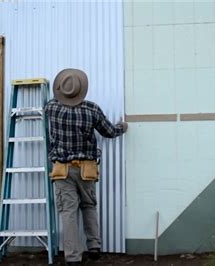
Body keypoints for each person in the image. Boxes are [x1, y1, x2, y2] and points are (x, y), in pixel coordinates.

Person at [44, 68, 128, 265]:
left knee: (68, 212)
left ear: (61, 90)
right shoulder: (92, 109)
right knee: (89, 206)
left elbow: (49, 110)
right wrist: (122, 127)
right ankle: (94, 247)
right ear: (81, 90)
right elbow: (109, 132)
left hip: (62, 170)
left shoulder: (51, 108)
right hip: (87, 168)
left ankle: (73, 258)